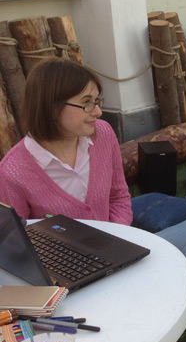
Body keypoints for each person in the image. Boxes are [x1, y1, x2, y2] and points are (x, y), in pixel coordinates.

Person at [0, 58, 132, 225]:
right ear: (52, 107)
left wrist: (118, 235)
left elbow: (118, 197)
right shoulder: (12, 173)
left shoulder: (103, 134)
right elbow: (17, 236)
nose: (98, 112)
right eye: (86, 102)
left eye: (96, 101)